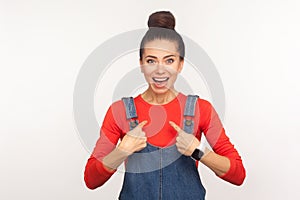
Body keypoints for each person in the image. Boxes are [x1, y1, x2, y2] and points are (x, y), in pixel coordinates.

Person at [84, 11, 246, 200]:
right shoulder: (119, 112)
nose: (160, 70)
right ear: (142, 65)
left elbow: (238, 175)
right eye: (151, 61)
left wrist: (199, 151)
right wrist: (122, 151)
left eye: (169, 60)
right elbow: (91, 180)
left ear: (180, 64)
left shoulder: (201, 110)